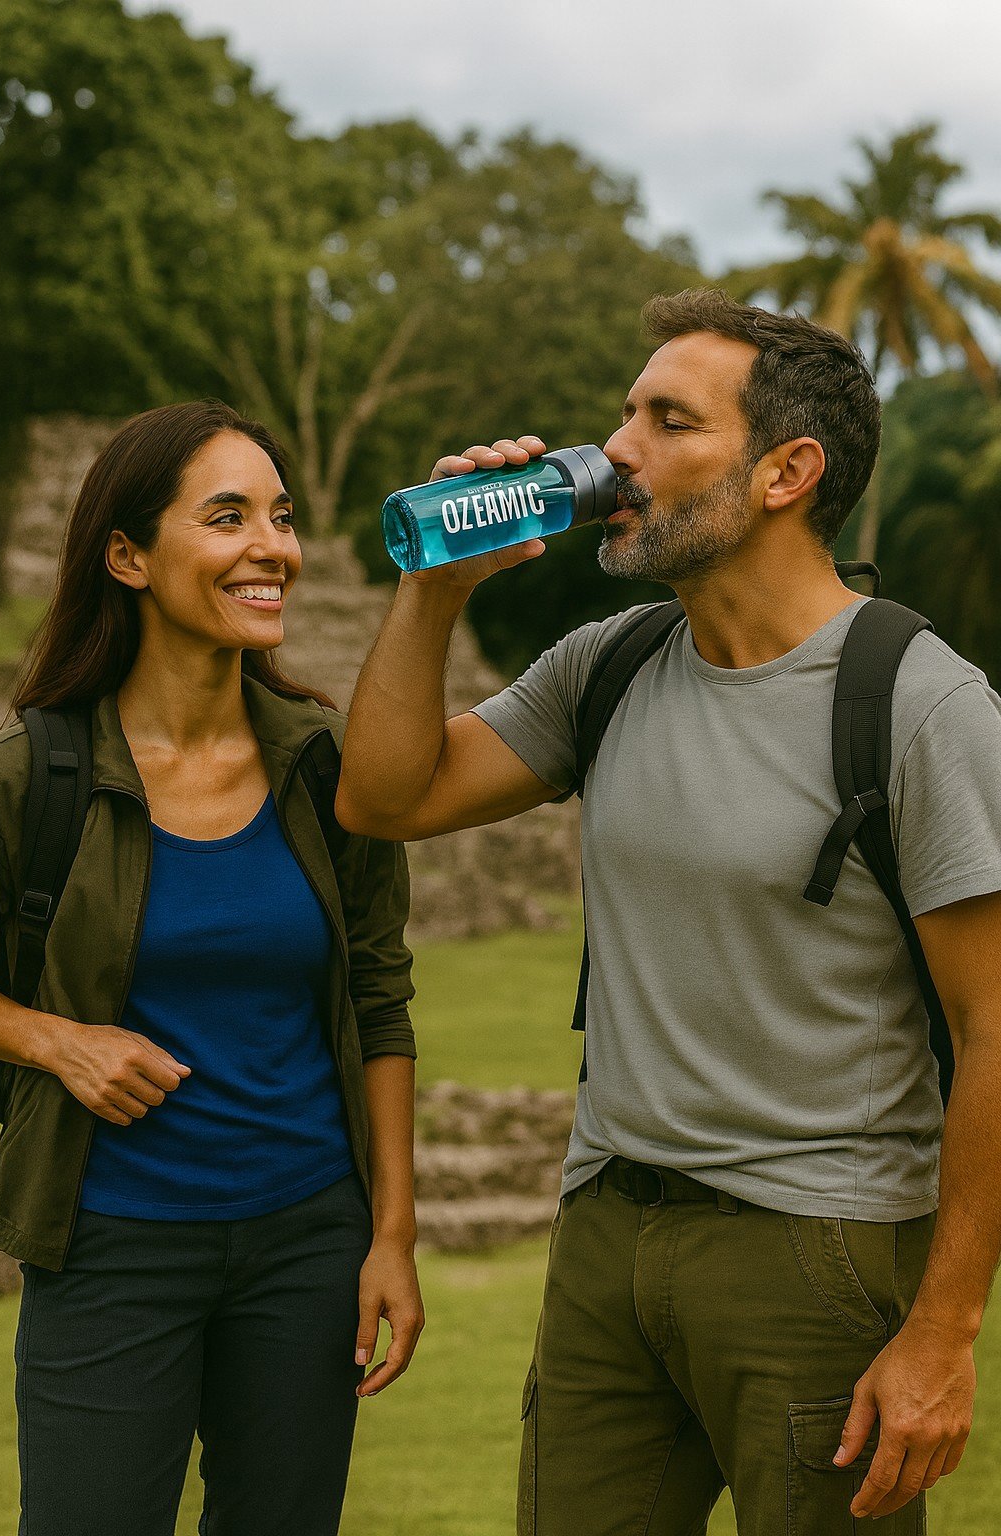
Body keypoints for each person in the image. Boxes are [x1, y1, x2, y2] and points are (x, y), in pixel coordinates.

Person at [336, 290, 1001, 1535]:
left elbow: (995, 1024)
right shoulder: (614, 661)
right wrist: (434, 588)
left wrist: (944, 1330)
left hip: (818, 1248)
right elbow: (383, 796)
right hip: (604, 1237)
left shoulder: (915, 700)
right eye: (624, 412)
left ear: (785, 472)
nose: (617, 449)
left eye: (667, 419)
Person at [0, 401, 424, 1536]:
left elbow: (379, 999)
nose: (271, 547)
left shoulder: (331, 768)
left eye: (279, 516)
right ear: (126, 554)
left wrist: (391, 1236)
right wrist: (55, 1039)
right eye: (226, 517)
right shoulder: (28, 780)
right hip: (110, 1245)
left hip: (308, 1245)